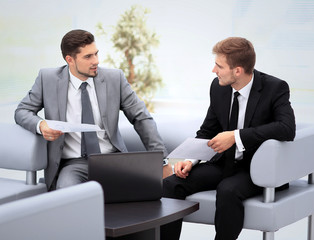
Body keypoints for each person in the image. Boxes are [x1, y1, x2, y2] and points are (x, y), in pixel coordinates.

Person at [161, 37, 296, 240]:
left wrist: (235, 137)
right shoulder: (218, 87)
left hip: (258, 169)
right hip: (224, 163)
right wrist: (190, 160)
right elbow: (208, 130)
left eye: (219, 66)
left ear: (238, 70)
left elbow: (287, 128)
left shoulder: (275, 88)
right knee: (170, 185)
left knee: (227, 190)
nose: (213, 70)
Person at [15, 29, 170, 191]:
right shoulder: (47, 79)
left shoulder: (114, 79)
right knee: (67, 194)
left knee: (144, 193)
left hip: (111, 160)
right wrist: (41, 125)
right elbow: (22, 111)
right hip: (73, 164)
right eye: (88, 57)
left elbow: (141, 118)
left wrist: (161, 160)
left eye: (96, 54)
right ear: (70, 60)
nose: (95, 61)